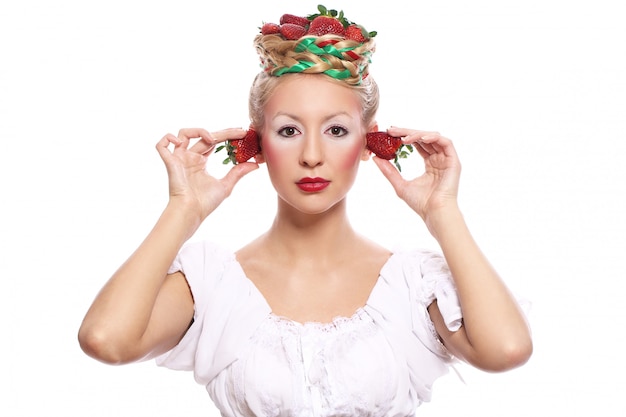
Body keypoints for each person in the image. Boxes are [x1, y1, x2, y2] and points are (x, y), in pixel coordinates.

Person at [78, 5, 532, 416]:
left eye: (336, 130)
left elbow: (507, 350)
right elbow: (106, 341)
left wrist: (444, 214)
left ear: (368, 140)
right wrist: (183, 210)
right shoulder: (214, 283)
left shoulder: (411, 285)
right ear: (256, 140)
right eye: (289, 130)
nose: (312, 155)